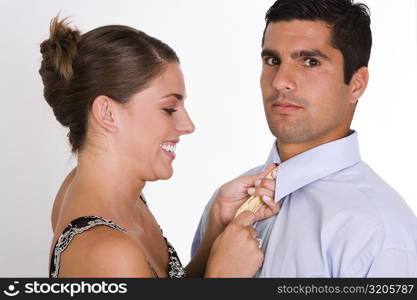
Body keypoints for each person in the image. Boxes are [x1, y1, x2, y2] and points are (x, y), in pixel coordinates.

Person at [39, 17, 281, 278]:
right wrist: (225, 276)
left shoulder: (102, 192)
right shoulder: (108, 252)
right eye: (169, 109)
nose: (188, 125)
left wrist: (216, 228)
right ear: (107, 113)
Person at [192, 0, 417, 277]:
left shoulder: (379, 234)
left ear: (356, 84)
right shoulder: (226, 206)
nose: (280, 81)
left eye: (310, 62)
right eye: (272, 60)